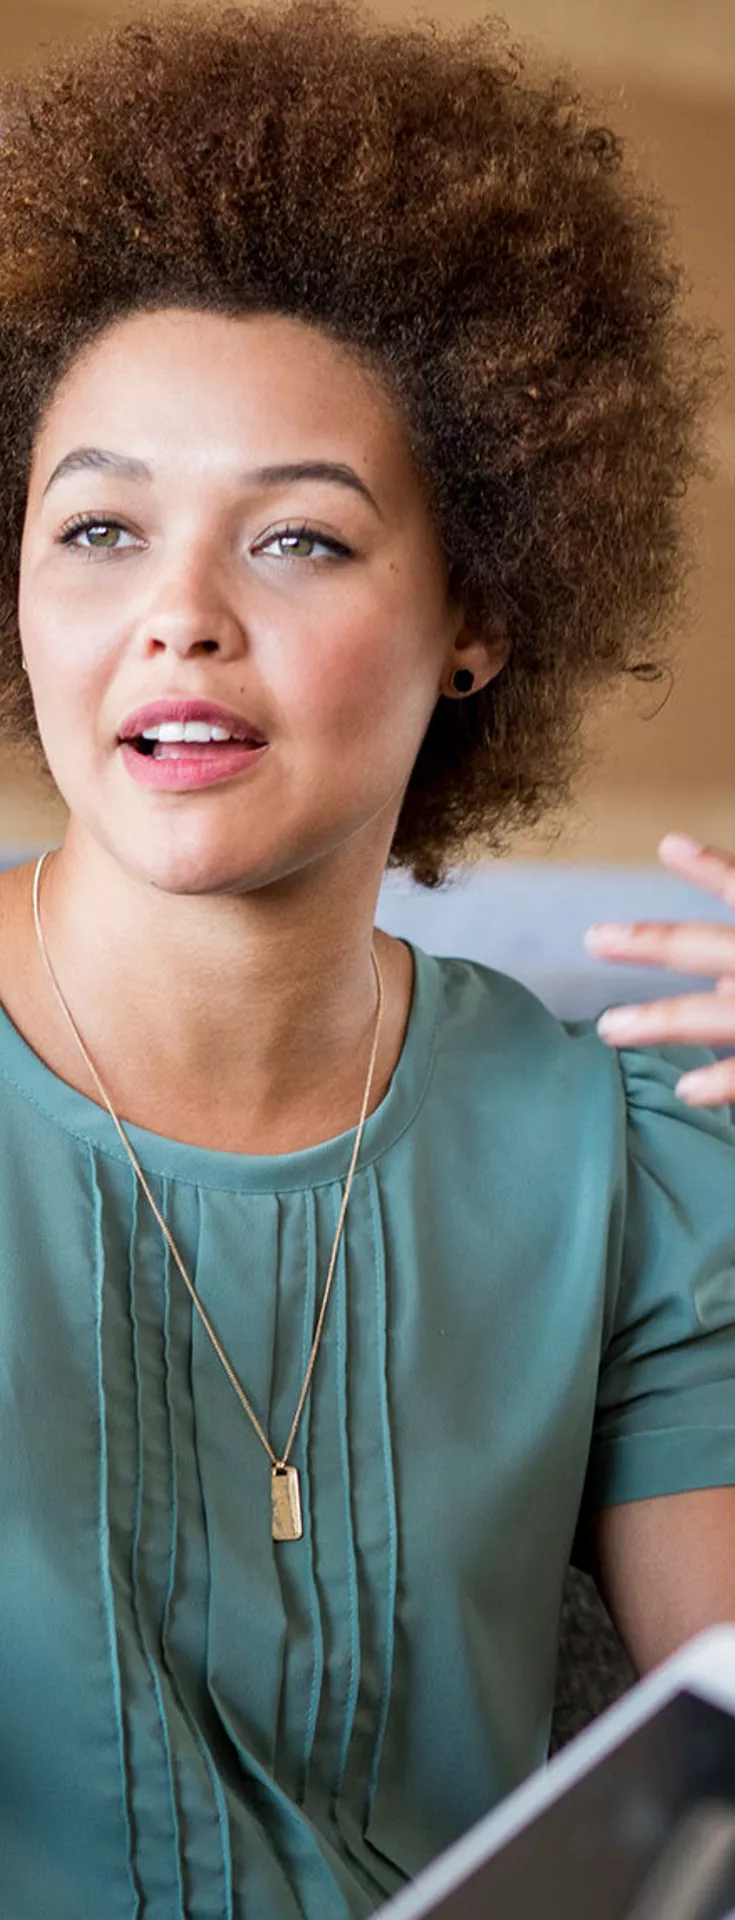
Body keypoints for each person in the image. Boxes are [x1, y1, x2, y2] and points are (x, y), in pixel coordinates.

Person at [0, 2, 732, 1914]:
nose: (176, 619)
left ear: (475, 612)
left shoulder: (628, 1155)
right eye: (96, 527)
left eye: (300, 544)